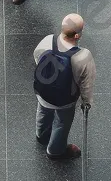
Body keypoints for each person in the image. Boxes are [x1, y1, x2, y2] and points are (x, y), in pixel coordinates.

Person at [32, 13, 95, 159]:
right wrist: (86, 102)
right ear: (77, 36)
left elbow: (37, 57)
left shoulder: (48, 40)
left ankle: (41, 135)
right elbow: (87, 84)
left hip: (42, 92)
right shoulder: (83, 56)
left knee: (42, 111)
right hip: (65, 100)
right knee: (62, 122)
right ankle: (55, 151)